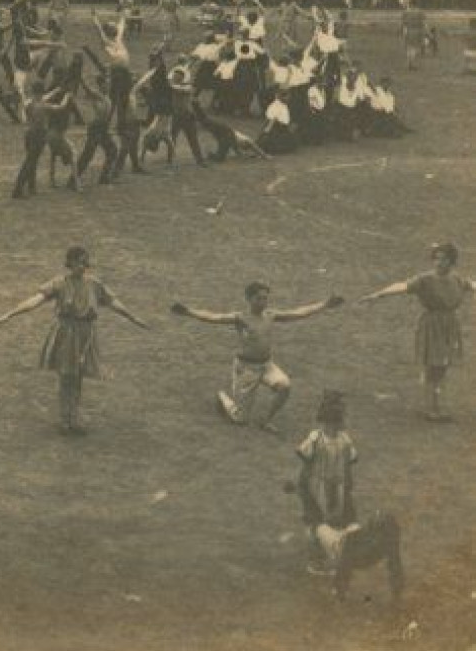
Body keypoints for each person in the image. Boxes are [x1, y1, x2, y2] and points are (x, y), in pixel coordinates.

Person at [0, 246, 150, 435]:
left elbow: (113, 303)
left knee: (78, 378)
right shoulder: (59, 283)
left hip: (85, 335)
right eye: (80, 262)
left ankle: (73, 418)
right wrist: (10, 314)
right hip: (66, 333)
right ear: (71, 263)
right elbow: (35, 300)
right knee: (66, 377)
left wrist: (133, 317)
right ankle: (65, 420)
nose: (84, 267)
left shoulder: (94, 284)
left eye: (86, 263)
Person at [170, 283, 345, 432]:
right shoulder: (240, 318)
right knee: (241, 420)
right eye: (259, 298)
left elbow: (298, 313)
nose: (263, 302)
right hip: (246, 369)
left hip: (267, 365)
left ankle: (266, 421)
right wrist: (188, 311)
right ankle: (223, 398)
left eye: (265, 298)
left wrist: (325, 304)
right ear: (249, 299)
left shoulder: (271, 315)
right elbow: (213, 317)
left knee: (284, 386)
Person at [358, 242, 472, 421]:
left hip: (450, 326)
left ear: (452, 262)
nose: (438, 263)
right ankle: (432, 409)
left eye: (444, 259)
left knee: (442, 367)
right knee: (434, 366)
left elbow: (471, 285)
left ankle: (436, 404)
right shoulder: (425, 279)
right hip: (432, 326)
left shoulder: (457, 279)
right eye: (436, 258)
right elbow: (401, 286)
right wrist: (378, 294)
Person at [292, 390, 358, 571]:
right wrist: (303, 487)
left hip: (338, 487)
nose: (341, 424)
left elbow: (347, 466)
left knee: (334, 521)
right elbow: (306, 465)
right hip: (316, 487)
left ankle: (329, 556)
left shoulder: (345, 441)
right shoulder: (315, 440)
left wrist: (348, 488)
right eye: (338, 420)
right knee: (315, 522)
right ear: (328, 421)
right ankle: (315, 562)